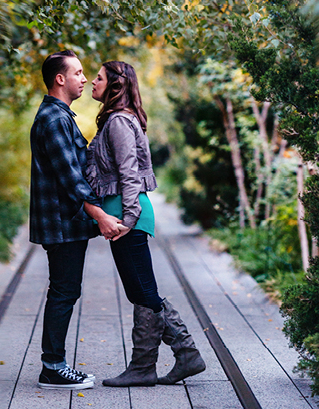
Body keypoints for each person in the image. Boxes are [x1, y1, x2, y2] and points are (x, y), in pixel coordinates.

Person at [86, 59, 207, 387]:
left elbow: (128, 172)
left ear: (115, 85)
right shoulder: (113, 120)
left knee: (143, 292)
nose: (92, 82)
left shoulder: (119, 123)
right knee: (140, 291)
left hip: (129, 216)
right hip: (123, 215)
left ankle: (155, 362)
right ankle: (183, 356)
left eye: (98, 78)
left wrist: (127, 218)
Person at [29, 49, 126, 391]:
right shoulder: (54, 119)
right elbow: (71, 177)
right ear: (60, 79)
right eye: (79, 73)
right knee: (63, 292)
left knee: (64, 291)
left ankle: (53, 364)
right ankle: (53, 367)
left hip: (64, 222)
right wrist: (100, 215)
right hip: (61, 223)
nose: (84, 79)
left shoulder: (59, 116)